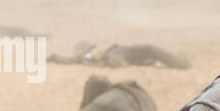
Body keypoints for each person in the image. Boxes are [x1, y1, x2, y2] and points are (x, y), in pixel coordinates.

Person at [48, 41, 189, 69]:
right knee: (150, 49)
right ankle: (179, 62)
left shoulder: (95, 50)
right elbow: (74, 60)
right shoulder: (88, 56)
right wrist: (56, 57)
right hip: (122, 53)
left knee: (150, 49)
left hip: (126, 51)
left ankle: (178, 61)